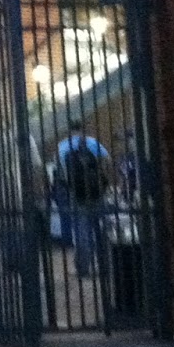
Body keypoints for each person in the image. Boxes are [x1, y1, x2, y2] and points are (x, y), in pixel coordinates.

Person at [56, 119, 111, 279]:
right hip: (97, 192)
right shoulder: (92, 142)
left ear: (69, 130)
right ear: (82, 129)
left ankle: (83, 268)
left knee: (81, 231)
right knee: (101, 229)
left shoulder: (63, 146)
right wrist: (102, 180)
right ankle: (105, 265)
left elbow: (61, 170)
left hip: (77, 193)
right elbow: (107, 160)